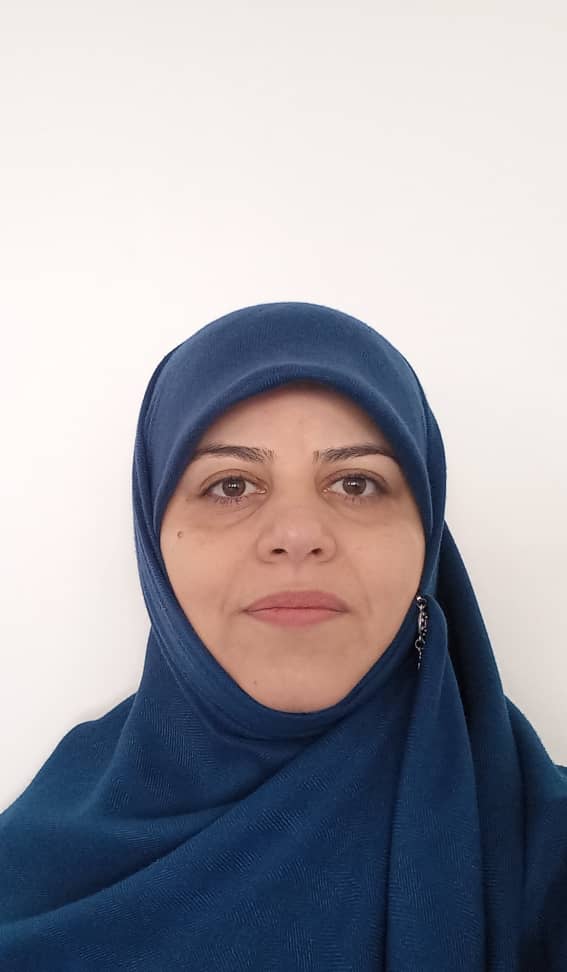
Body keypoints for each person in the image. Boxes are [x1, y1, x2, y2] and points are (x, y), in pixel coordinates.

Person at [0, 301, 565, 970]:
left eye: (356, 483)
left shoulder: (540, 853)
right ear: (154, 537)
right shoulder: (32, 865)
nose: (297, 535)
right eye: (230, 485)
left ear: (426, 536)